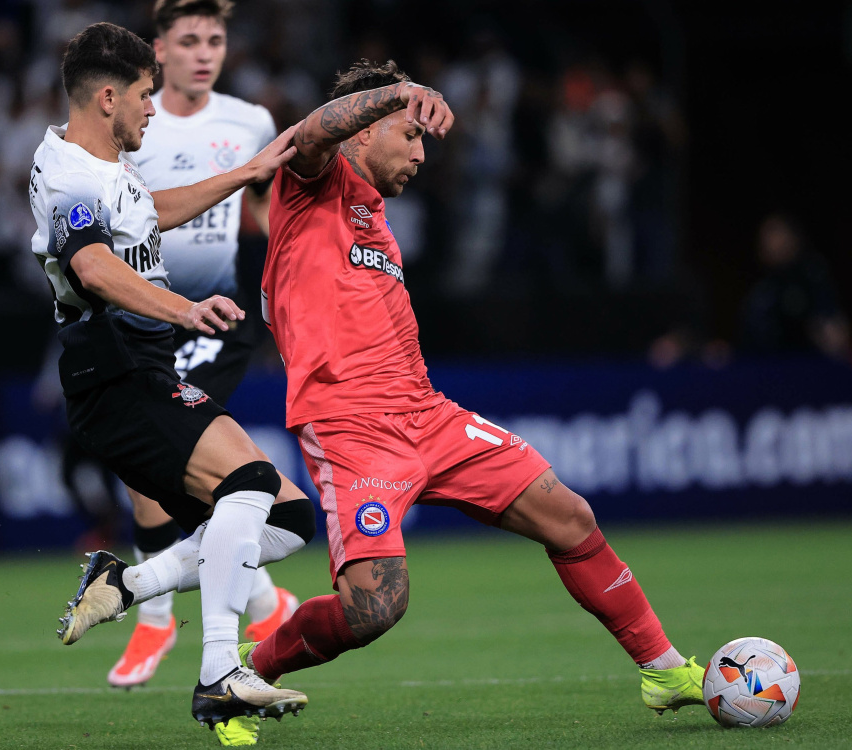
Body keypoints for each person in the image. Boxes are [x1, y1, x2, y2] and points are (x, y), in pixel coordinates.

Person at [247, 59, 705, 715]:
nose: (420, 154)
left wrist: (403, 106)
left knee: (570, 517)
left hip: (428, 418)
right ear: (363, 131)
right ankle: (252, 667)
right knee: (376, 606)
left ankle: (661, 670)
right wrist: (403, 93)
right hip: (353, 430)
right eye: (408, 135)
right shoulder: (310, 185)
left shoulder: (375, 217)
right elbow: (313, 131)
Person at [30, 21, 314, 735]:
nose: (153, 110)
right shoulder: (68, 176)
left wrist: (240, 177)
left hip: (138, 372)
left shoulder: (102, 167)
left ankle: (125, 583)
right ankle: (220, 673)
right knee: (249, 487)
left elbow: (150, 216)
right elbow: (93, 266)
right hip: (117, 374)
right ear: (106, 97)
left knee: (284, 519)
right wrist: (186, 308)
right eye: (144, 96)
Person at [104, 0, 303, 702]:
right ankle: (263, 600)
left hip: (213, 318)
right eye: (188, 40)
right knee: (163, 474)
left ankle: (155, 612)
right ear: (158, 50)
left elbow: (266, 217)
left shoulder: (248, 121)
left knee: (167, 458)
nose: (203, 52)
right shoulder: (133, 121)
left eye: (214, 39)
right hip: (139, 313)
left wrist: (286, 303)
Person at [738, 211, 851, 358]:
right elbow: (746, 340)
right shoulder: (760, 289)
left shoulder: (813, 276)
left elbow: (834, 330)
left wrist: (831, 334)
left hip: (809, 367)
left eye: (776, 233)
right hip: (767, 369)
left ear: (793, 238)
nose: (770, 242)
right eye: (764, 236)